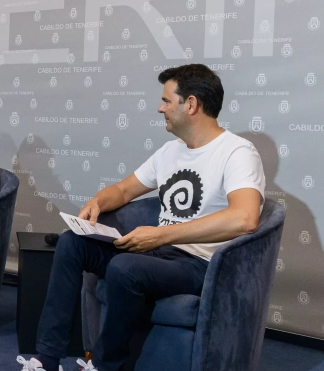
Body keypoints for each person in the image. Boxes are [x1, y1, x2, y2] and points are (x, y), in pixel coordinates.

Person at [17, 64, 265, 371]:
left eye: (166, 101)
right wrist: (97, 202)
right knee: (72, 243)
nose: (159, 108)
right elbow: (123, 190)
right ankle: (46, 359)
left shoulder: (237, 152)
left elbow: (245, 218)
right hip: (158, 254)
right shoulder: (169, 152)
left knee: (124, 267)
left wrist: (161, 235)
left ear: (191, 104)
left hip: (200, 265)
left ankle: (107, 366)